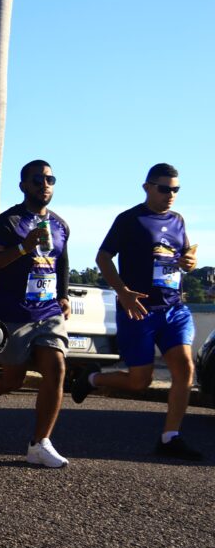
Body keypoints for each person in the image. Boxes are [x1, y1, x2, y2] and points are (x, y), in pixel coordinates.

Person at [72, 163, 201, 461]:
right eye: (164, 188)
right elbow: (103, 257)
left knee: (184, 368)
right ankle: (91, 379)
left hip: (173, 308)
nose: (170, 194)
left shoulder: (178, 220)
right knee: (139, 381)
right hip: (138, 309)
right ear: (147, 187)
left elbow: (183, 257)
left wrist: (189, 263)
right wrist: (122, 292)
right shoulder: (130, 219)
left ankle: (170, 437)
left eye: (176, 190)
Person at [0, 160, 72, 467]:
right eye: (38, 179)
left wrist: (63, 295)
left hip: (47, 313)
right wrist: (22, 248)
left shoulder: (60, 225)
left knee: (56, 368)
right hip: (14, 313)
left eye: (50, 178)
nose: (45, 184)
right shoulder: (8, 223)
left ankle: (39, 443)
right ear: (23, 185)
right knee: (13, 379)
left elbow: (61, 263)